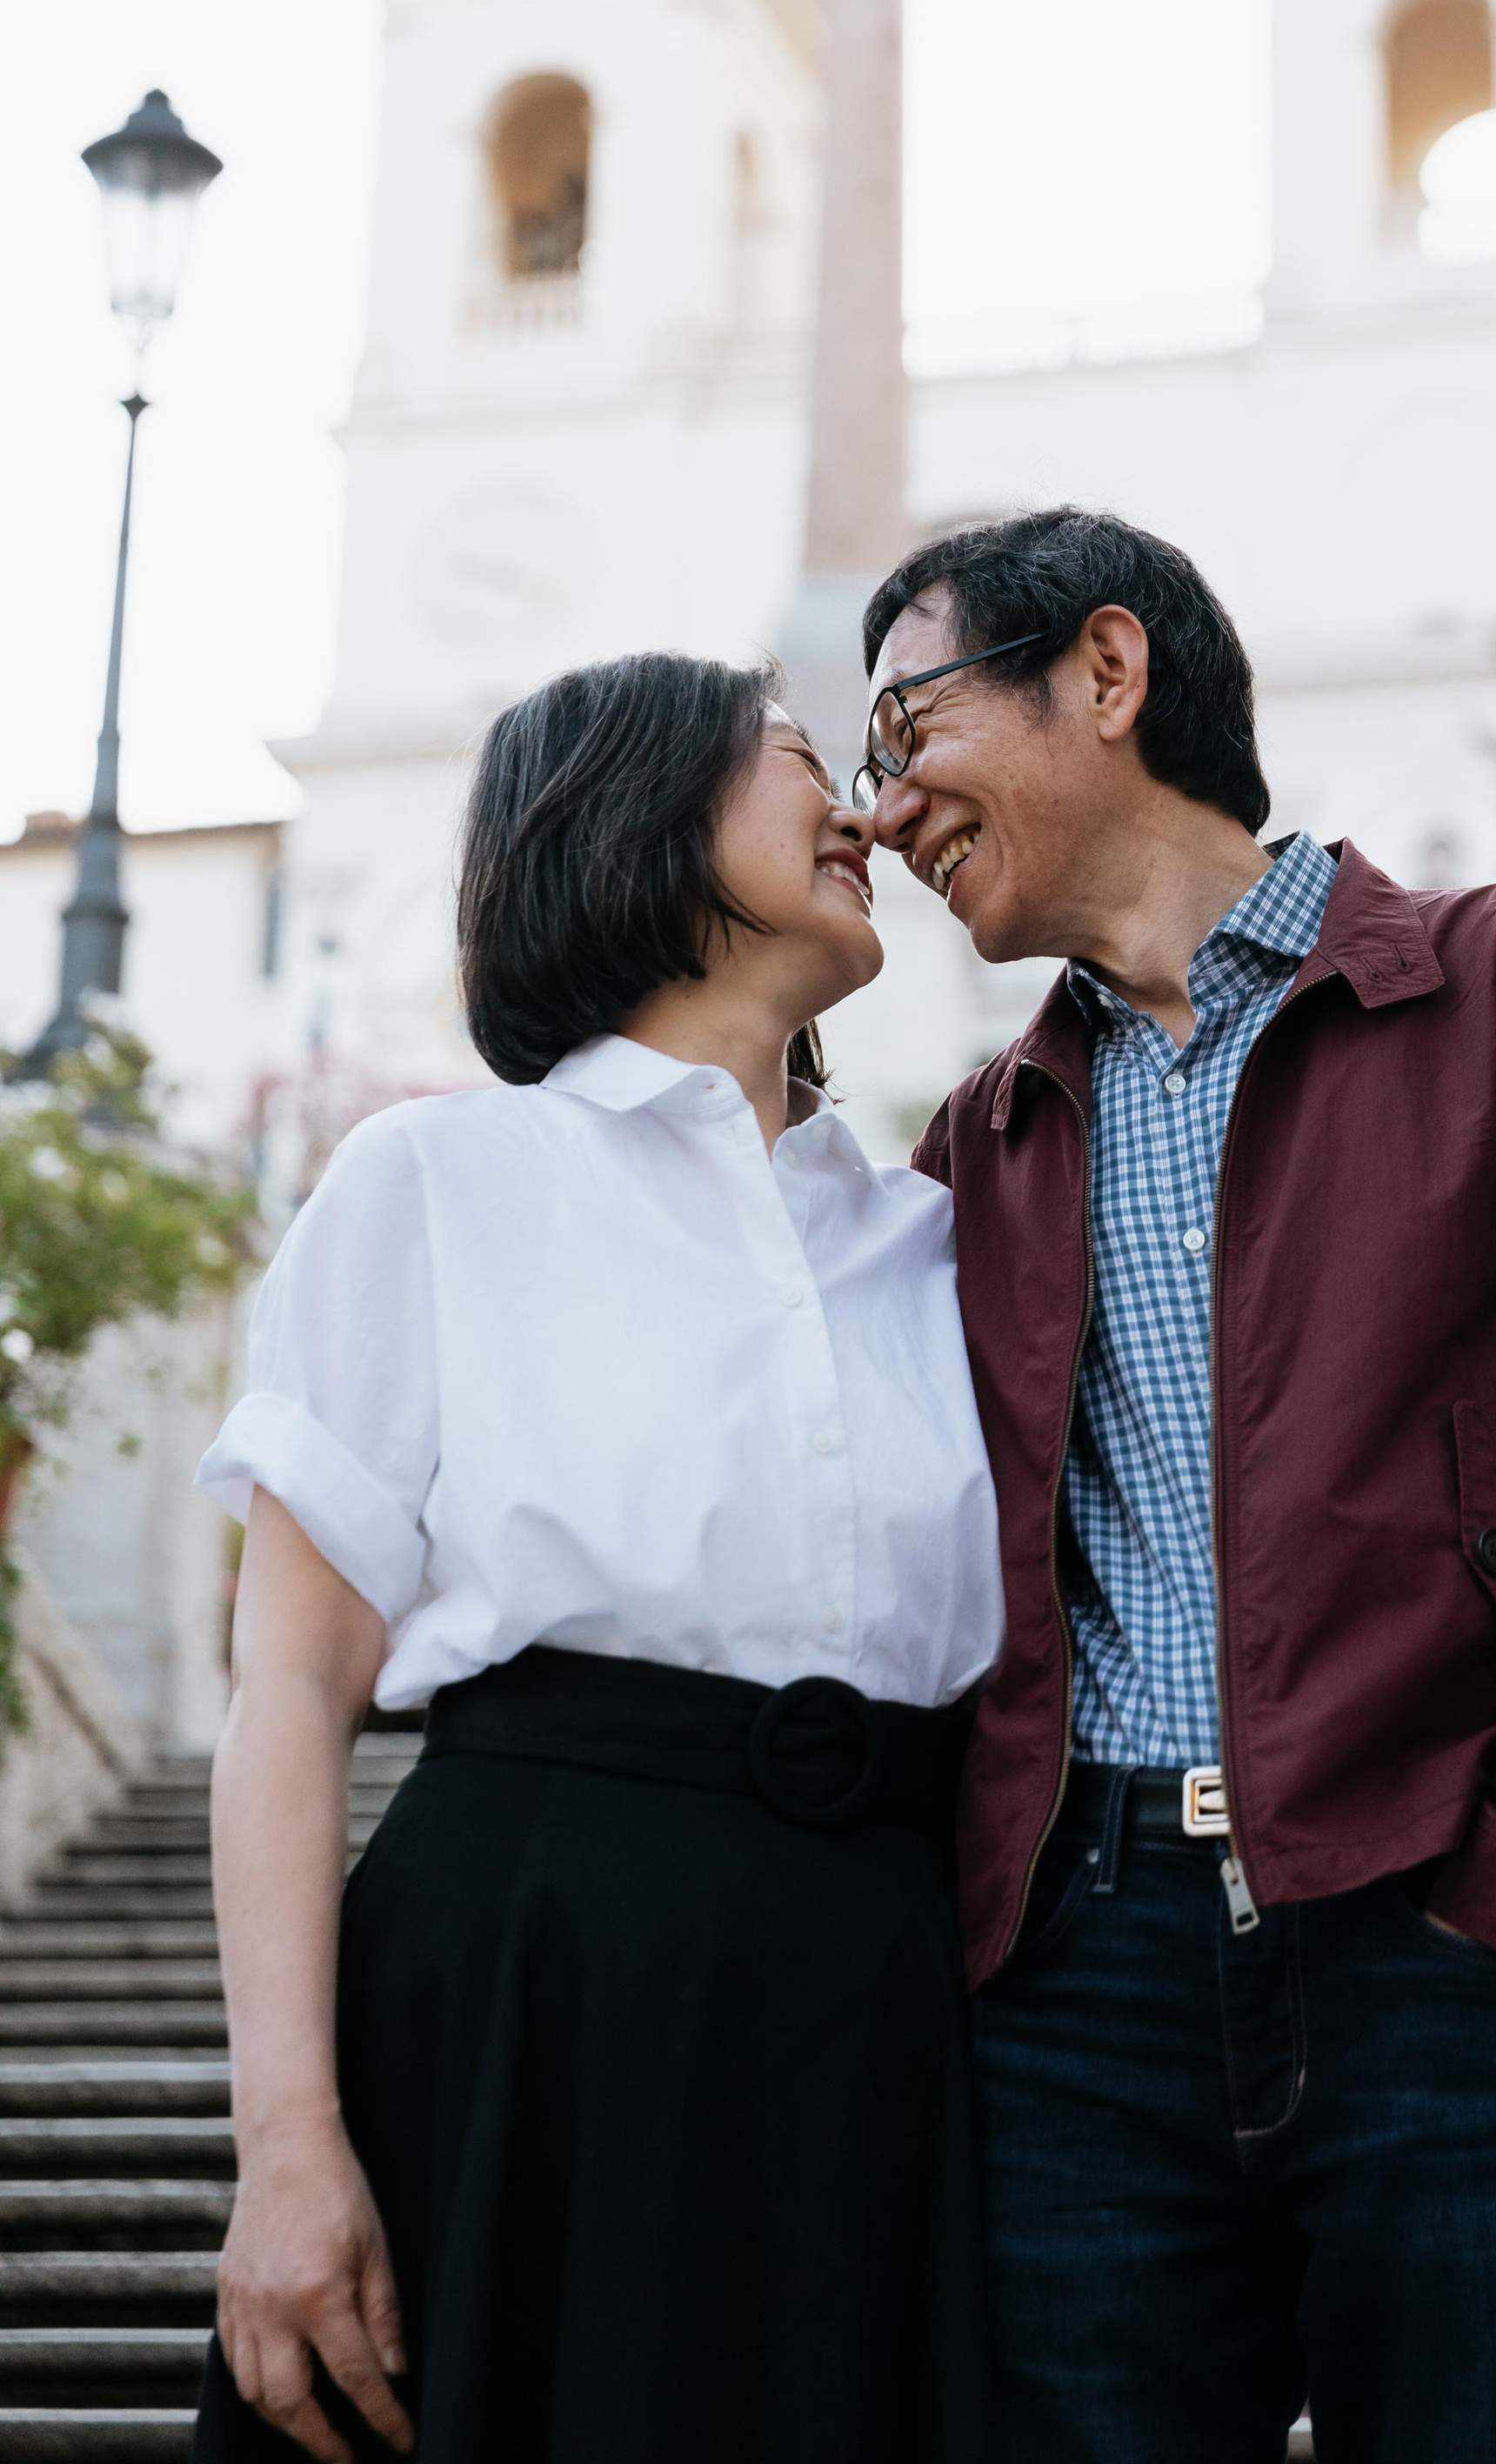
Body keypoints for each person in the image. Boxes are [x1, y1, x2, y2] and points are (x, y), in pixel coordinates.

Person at [856, 508, 1496, 2464]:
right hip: (1074, 1992)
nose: (883, 811)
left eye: (905, 728)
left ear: (1104, 675)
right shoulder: (984, 1137)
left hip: (1449, 1941)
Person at [193, 652, 1002, 2464]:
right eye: (801, 757)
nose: (864, 806)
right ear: (631, 813)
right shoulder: (433, 1183)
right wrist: (288, 2143)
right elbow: (294, 1692)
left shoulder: (942, 1242)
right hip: (525, 1992)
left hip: (879, 2003)